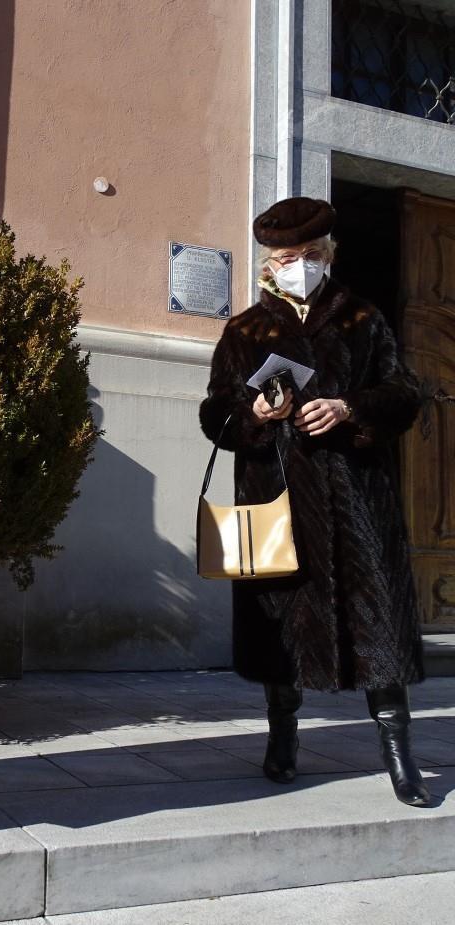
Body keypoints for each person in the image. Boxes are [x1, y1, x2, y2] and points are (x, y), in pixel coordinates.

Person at [199, 196, 430, 807]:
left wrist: (350, 407)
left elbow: (404, 394)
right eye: (285, 258)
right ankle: (282, 734)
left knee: (381, 626)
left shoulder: (363, 319)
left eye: (309, 254)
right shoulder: (245, 330)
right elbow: (215, 415)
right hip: (279, 500)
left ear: (328, 255)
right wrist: (253, 412)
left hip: (358, 500)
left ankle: (401, 756)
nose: (297, 265)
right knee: (281, 626)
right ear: (268, 266)